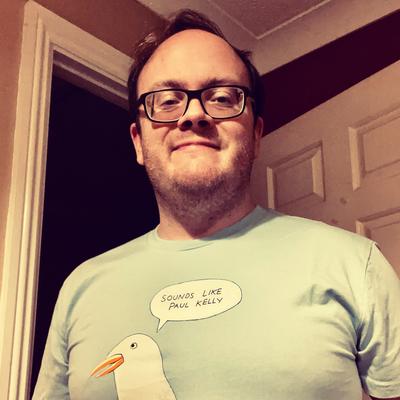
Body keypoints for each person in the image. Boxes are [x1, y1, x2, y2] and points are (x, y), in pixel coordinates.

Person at [33, 9, 400, 400]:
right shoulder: (81, 288)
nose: (194, 114)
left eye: (222, 98)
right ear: (138, 141)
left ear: (256, 135)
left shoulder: (355, 265)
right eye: (166, 101)